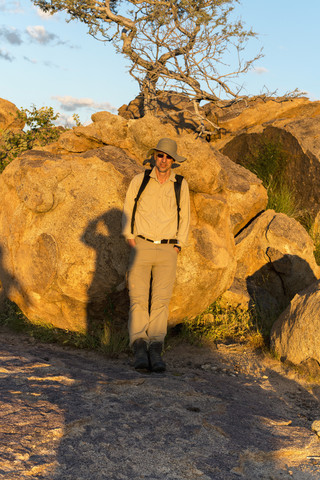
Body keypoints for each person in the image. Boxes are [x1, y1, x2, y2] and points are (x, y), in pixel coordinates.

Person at [122, 138, 190, 372]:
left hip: (168, 249)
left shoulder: (180, 184)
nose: (164, 160)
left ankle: (155, 349)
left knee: (161, 302)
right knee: (138, 300)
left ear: (173, 160)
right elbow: (128, 208)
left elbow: (186, 215)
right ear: (154, 156)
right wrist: (129, 237)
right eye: (160, 155)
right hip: (141, 245)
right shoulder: (139, 180)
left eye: (168, 157)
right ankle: (139, 348)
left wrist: (179, 245)